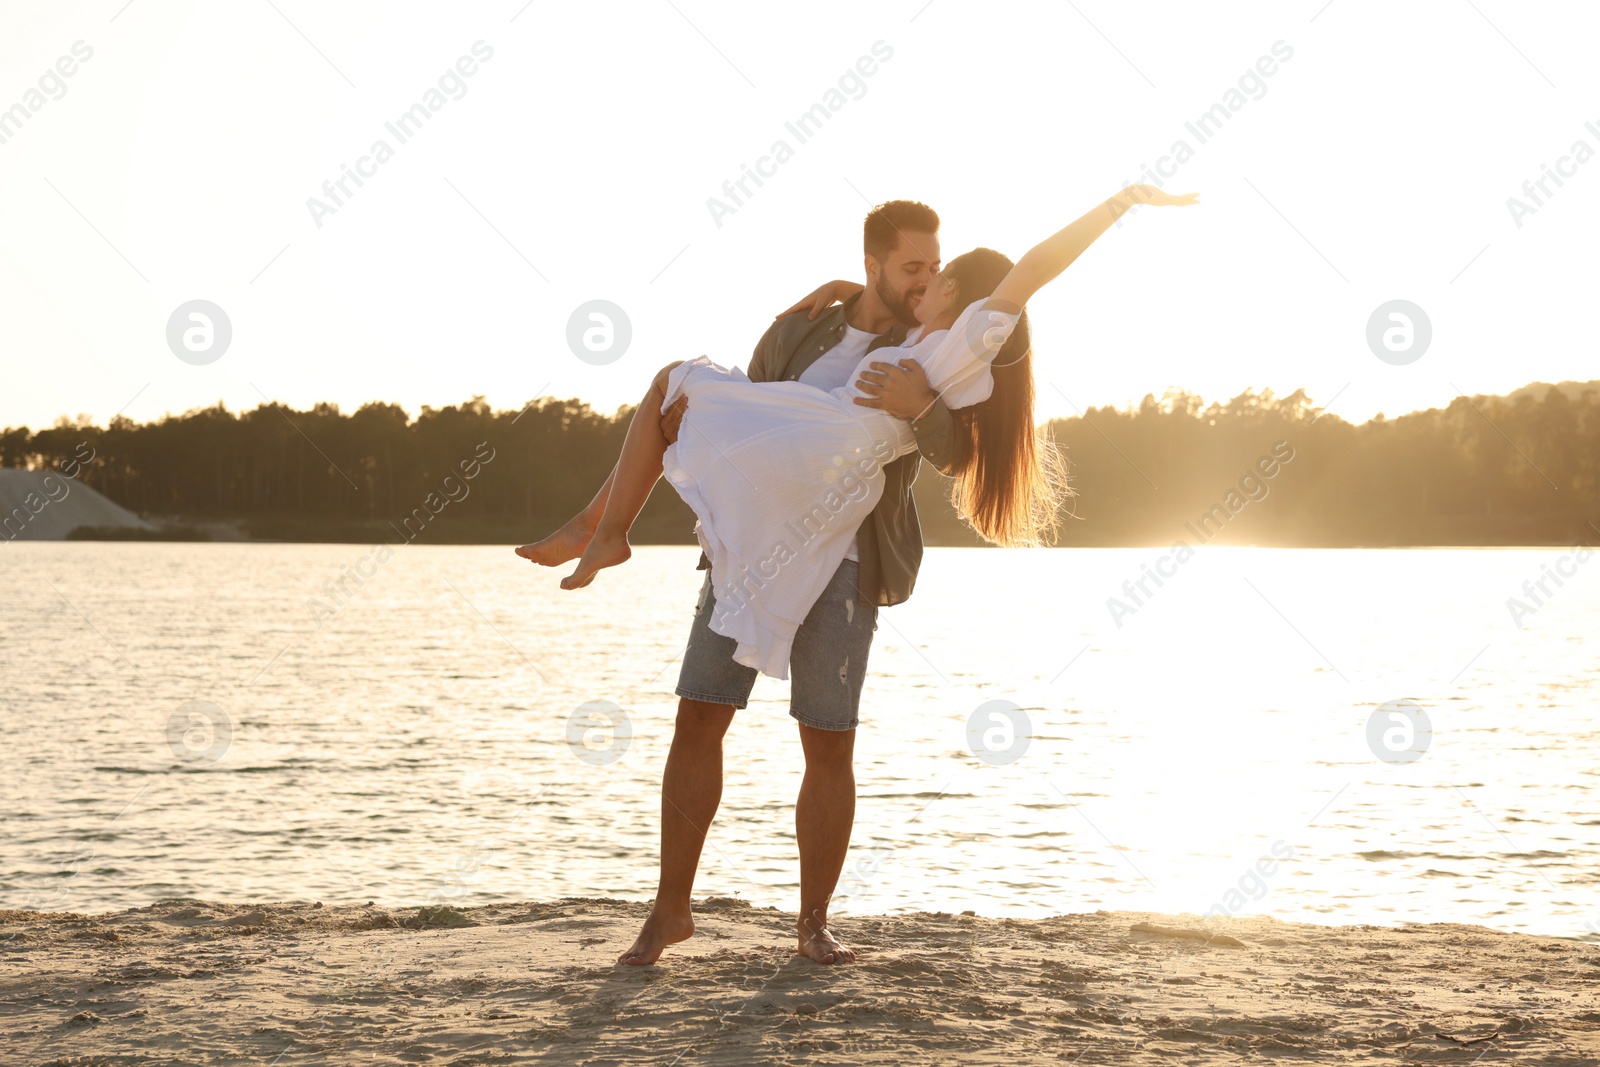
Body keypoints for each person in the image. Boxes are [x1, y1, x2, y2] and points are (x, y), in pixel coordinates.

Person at [519, 185, 1197, 964]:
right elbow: (753, 410)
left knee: (827, 739)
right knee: (698, 711)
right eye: (914, 266)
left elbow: (1015, 313)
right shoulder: (814, 330)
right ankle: (669, 907)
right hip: (754, 541)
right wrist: (830, 302)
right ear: (873, 264)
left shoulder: (958, 344)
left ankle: (813, 923)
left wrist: (1122, 204)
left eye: (938, 268)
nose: (926, 279)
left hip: (843, 549)